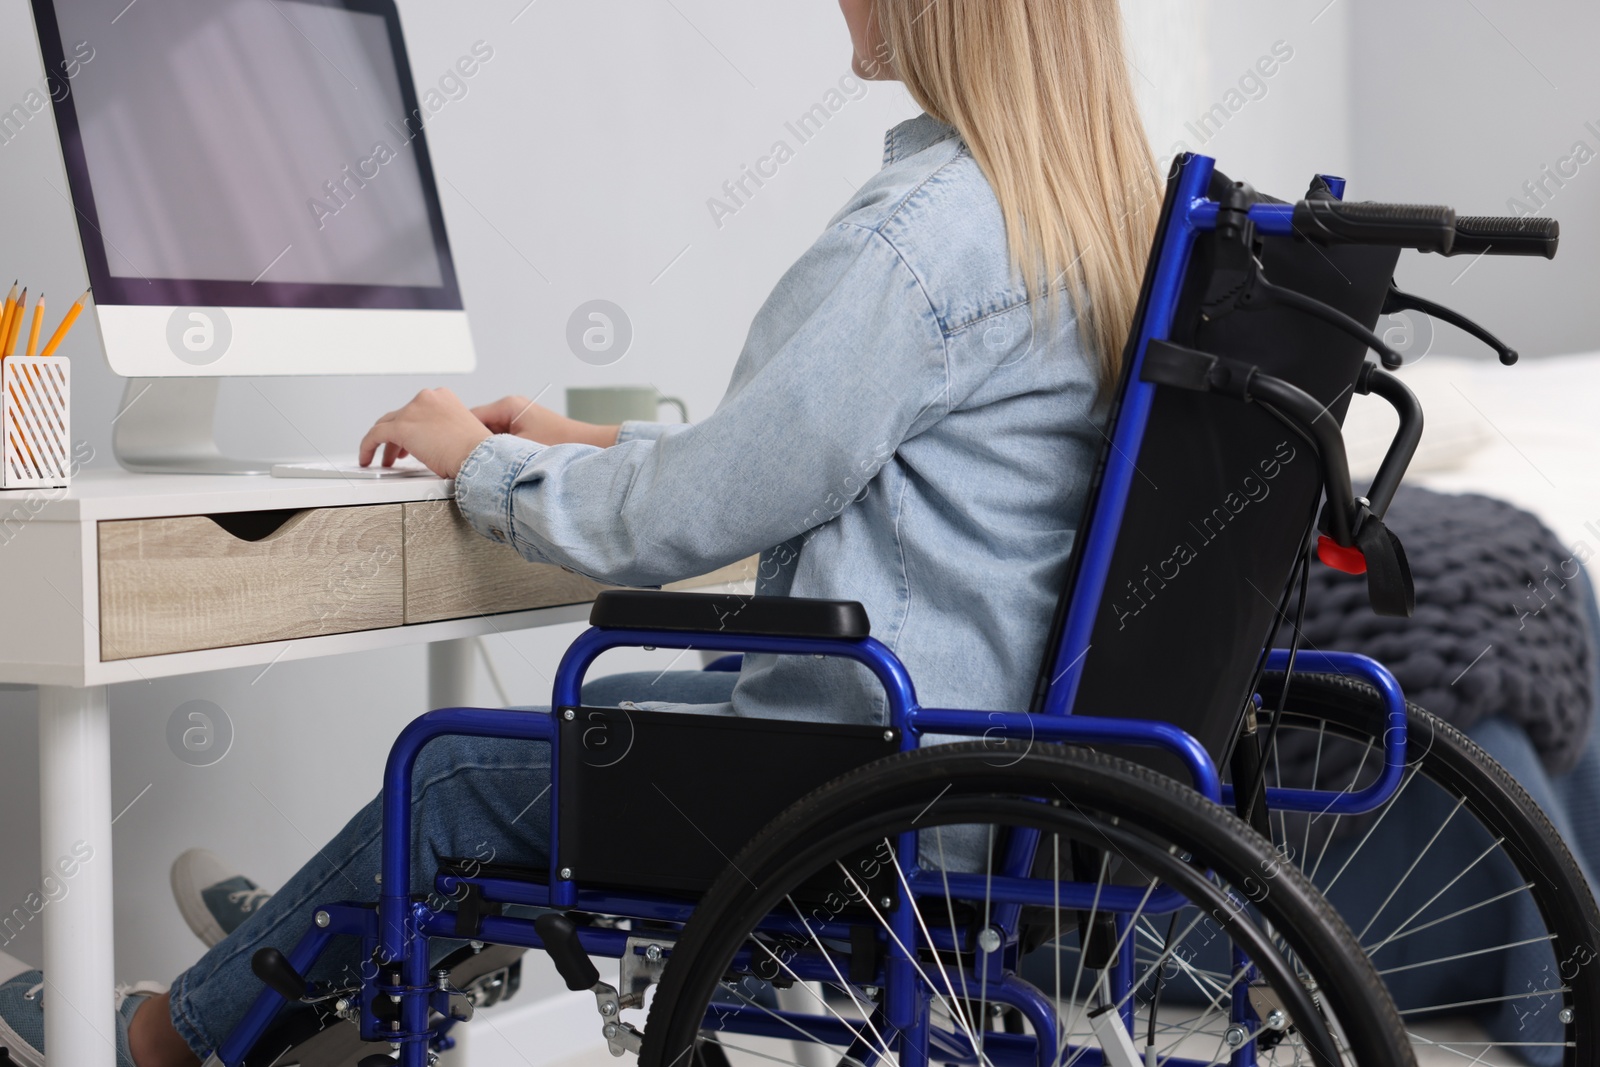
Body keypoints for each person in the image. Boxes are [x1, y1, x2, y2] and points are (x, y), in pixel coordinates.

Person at [0, 1, 1160, 1063]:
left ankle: (162, 1035)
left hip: (869, 790)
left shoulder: (921, 240)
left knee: (448, 771)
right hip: (997, 767)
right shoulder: (1089, 217)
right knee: (599, 724)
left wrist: (484, 463)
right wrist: (570, 440)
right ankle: (302, 955)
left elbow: (689, 516)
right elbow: (811, 462)